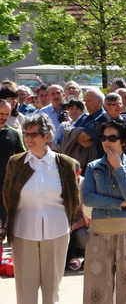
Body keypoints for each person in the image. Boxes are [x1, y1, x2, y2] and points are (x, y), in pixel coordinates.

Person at [3, 114, 78, 304]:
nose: (28, 138)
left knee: (51, 290)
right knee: (25, 290)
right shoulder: (16, 163)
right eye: (26, 134)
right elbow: (8, 195)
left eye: (34, 134)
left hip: (57, 231)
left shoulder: (65, 164)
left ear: (47, 137)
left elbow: (73, 199)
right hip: (23, 230)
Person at [82, 119, 126, 304]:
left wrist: (118, 168)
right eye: (103, 137)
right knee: (97, 290)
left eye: (112, 137)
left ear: (124, 141)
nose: (106, 142)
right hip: (99, 232)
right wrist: (120, 204)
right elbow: (88, 198)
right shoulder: (93, 167)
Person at [0, 99, 25, 242]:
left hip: (6, 188)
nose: (3, 117)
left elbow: (23, 158)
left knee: (4, 229)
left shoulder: (14, 134)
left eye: (6, 114)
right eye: (0, 113)